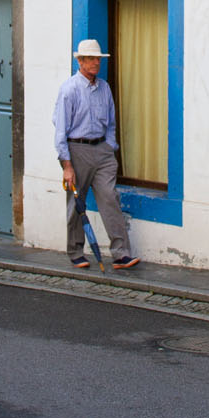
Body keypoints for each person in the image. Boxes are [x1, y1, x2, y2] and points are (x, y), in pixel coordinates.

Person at [53, 37, 139, 271]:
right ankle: (76, 252)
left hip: (102, 150)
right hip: (77, 150)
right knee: (76, 204)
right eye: (90, 59)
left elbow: (111, 122)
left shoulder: (104, 88)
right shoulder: (69, 89)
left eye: (97, 59)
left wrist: (110, 148)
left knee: (110, 199)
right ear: (79, 61)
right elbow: (60, 129)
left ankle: (121, 253)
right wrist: (67, 165)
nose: (95, 63)